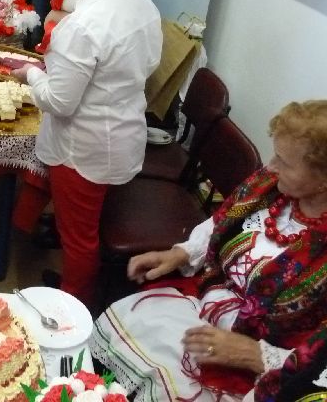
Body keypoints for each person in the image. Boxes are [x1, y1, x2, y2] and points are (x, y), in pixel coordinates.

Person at [92, 100, 327, 401]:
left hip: (263, 369)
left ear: (322, 181)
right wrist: (181, 253)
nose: (271, 166)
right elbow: (221, 223)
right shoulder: (268, 187)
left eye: (285, 162)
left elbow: (319, 369)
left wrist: (255, 354)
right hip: (206, 304)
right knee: (124, 325)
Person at [10, 0, 162, 309]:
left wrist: (30, 75)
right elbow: (146, 67)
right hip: (123, 132)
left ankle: (73, 308)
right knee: (89, 226)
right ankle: (79, 288)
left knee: (79, 238)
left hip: (84, 149)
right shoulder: (144, 6)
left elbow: (59, 101)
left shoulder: (84, 24)